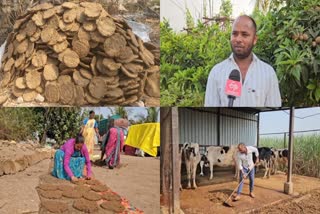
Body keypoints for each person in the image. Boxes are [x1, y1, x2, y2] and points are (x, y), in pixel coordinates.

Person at [205, 15, 281, 107]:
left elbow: (272, 111)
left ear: (254, 39)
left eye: (244, 35)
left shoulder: (268, 73)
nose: (238, 39)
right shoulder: (216, 72)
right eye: (234, 34)